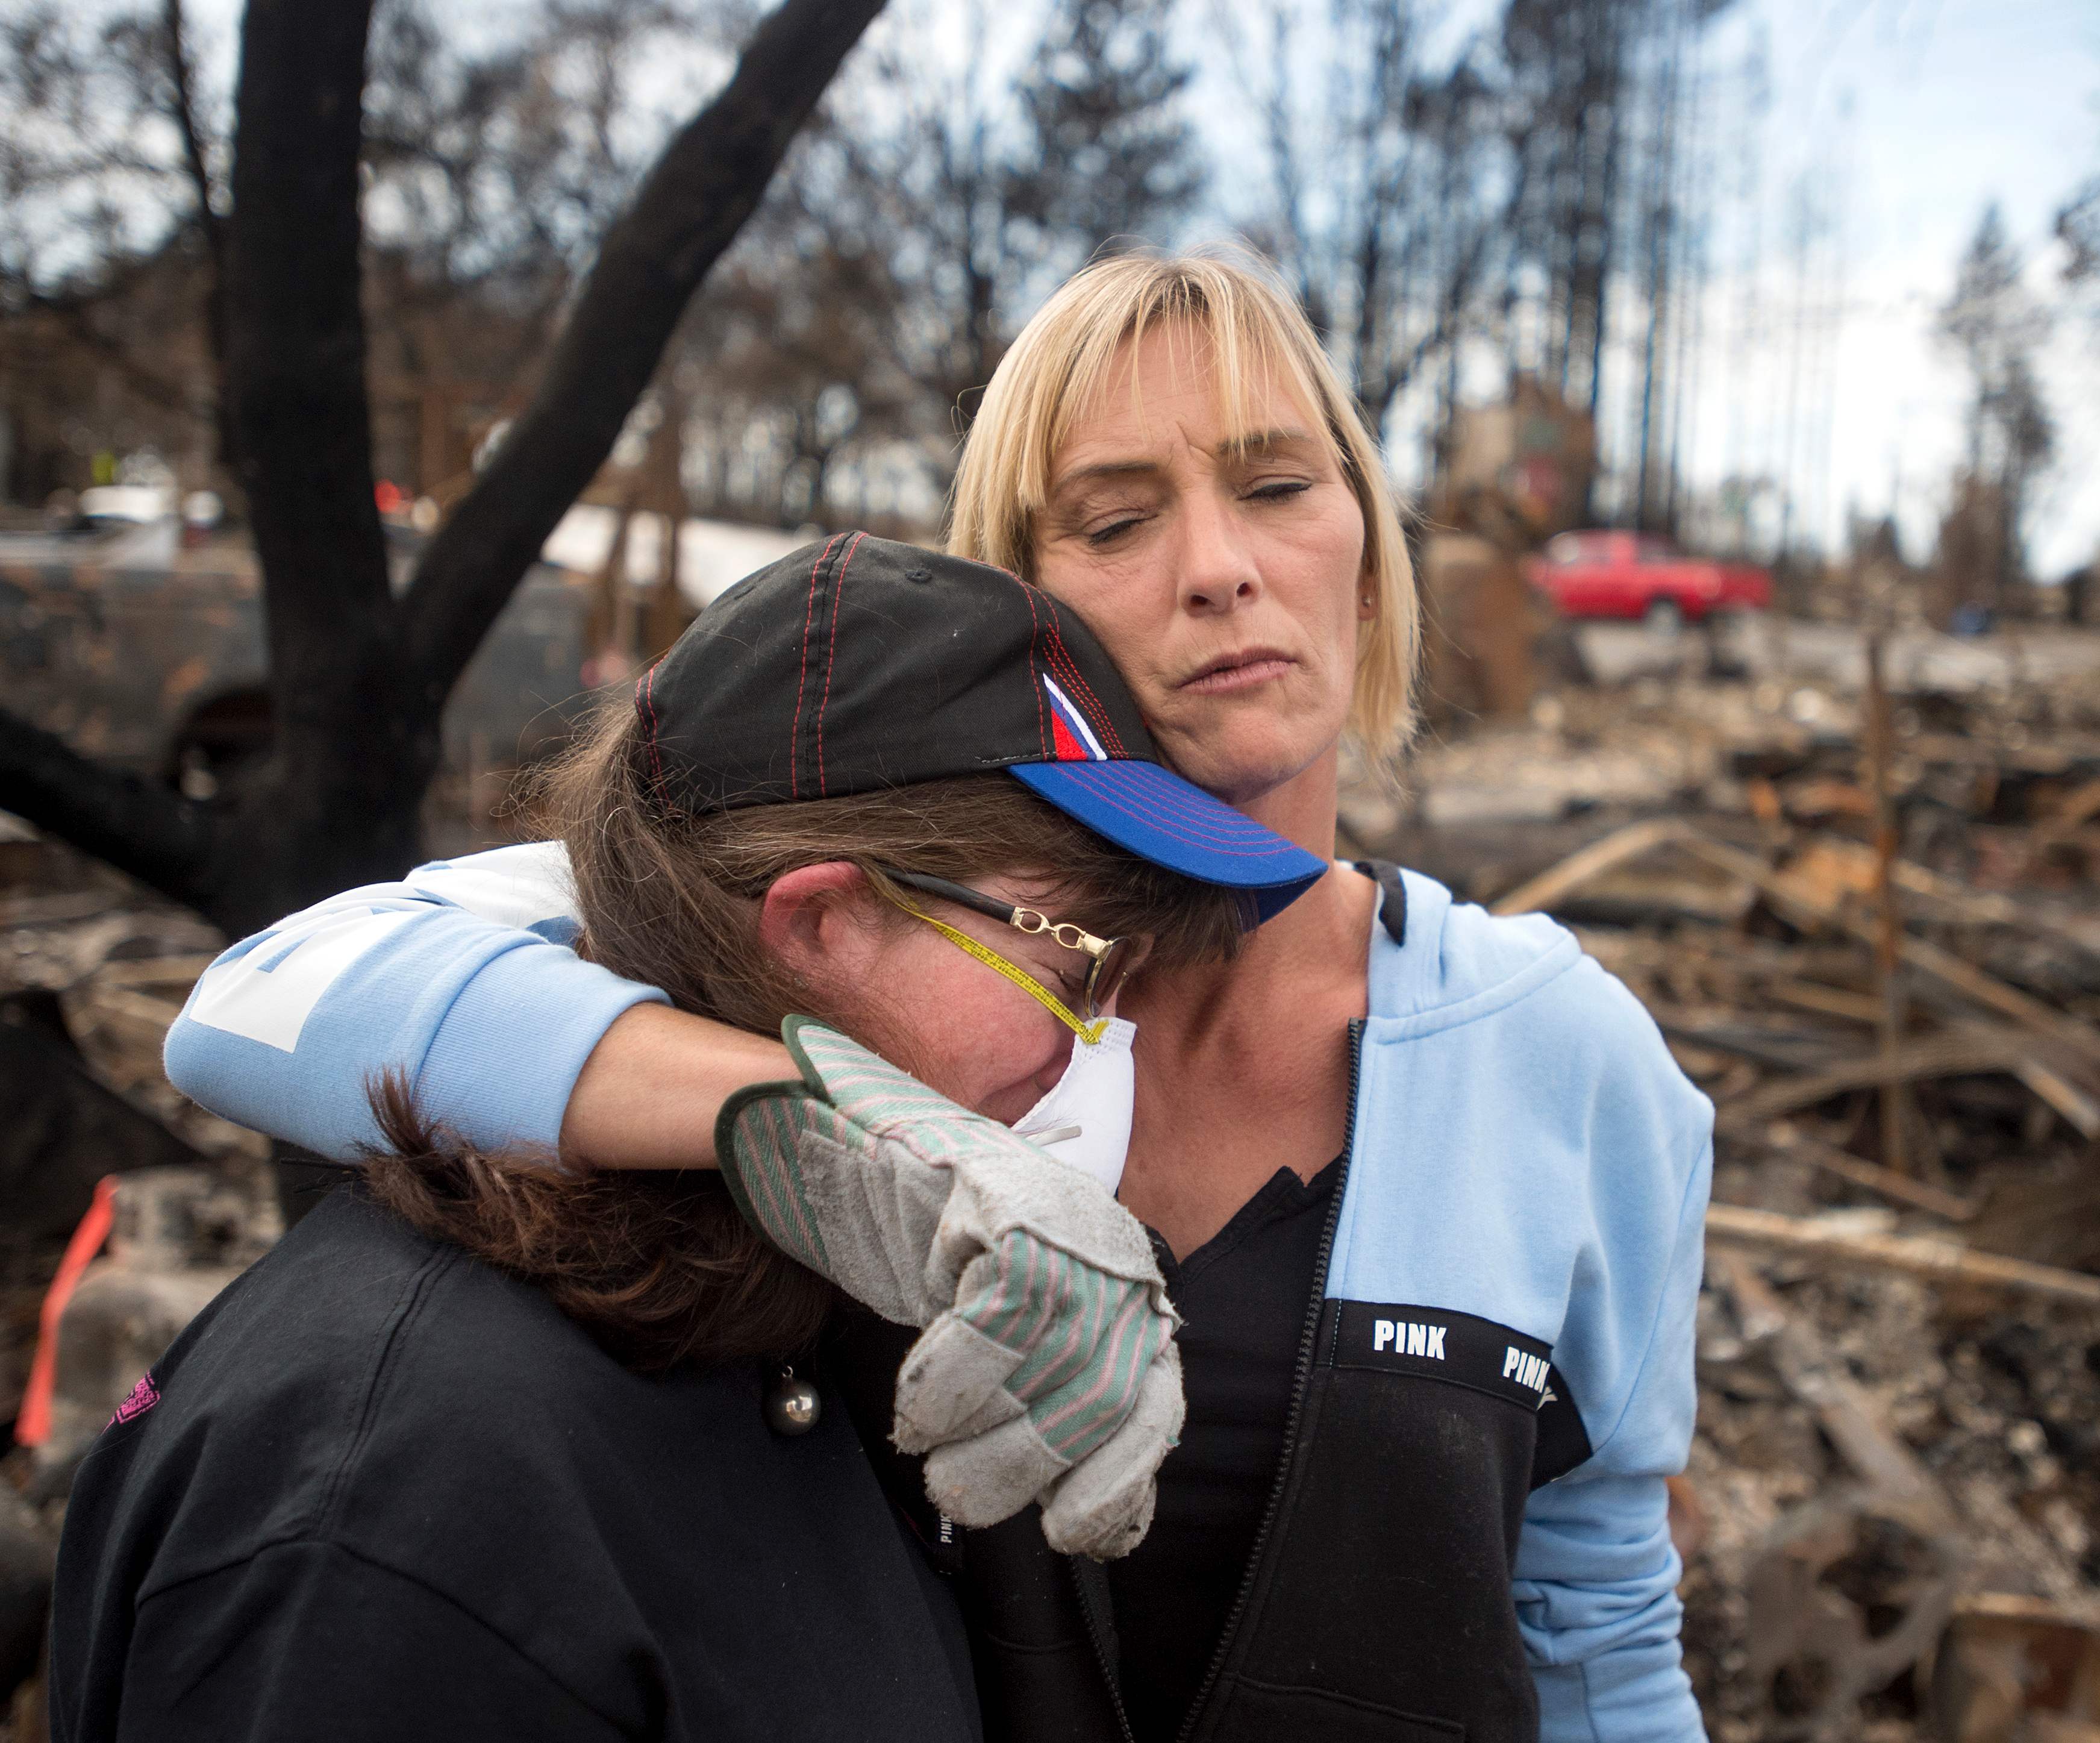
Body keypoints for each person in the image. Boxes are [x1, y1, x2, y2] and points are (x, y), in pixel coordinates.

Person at [164, 250, 1716, 1742]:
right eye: (1114, 520)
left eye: (1276, 485)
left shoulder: (1558, 1058)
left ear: (1368, 551)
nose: (1218, 567)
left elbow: (1596, 1641)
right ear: (1015, 614)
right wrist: (827, 1125)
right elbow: (276, 994)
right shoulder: (873, 930)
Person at [57, 539, 1330, 1740]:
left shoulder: (834, 1303)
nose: (1097, 1048)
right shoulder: (402, 1485)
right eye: (1080, 970)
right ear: (825, 923)